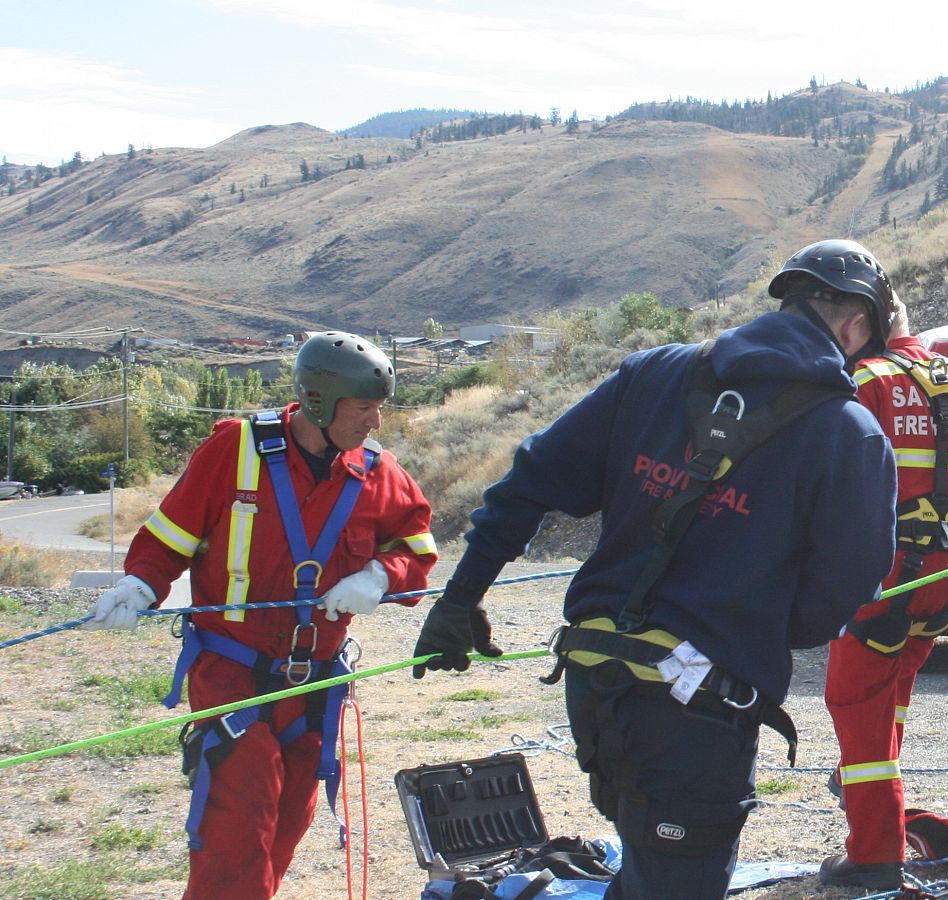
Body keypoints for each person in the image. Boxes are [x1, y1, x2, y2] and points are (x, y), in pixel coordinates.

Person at [414, 239, 897, 899]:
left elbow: (526, 482)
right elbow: (846, 589)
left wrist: (459, 598)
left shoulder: (651, 375)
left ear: (788, 300)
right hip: (698, 713)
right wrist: (756, 628)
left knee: (651, 873)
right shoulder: (851, 433)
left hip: (595, 685)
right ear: (855, 328)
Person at [83, 331, 437, 900]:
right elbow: (172, 534)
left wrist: (380, 577)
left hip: (316, 681)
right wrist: (140, 584)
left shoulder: (377, 471)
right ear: (319, 402)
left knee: (284, 828)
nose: (375, 422)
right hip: (233, 671)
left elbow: (417, 548)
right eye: (364, 407)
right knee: (237, 824)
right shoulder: (236, 451)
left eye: (379, 408)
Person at [820, 297, 948, 889]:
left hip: (879, 584)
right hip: (941, 587)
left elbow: (824, 463)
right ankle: (874, 794)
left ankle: (876, 851)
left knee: (858, 712)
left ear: (864, 328)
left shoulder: (863, 383)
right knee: (889, 699)